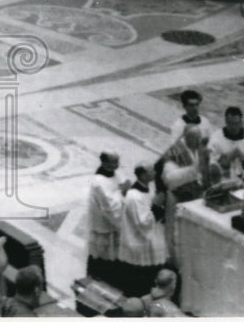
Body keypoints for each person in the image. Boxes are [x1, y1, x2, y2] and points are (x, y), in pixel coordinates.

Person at [159, 125, 211, 262]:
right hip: (177, 198)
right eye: (196, 139)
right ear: (186, 138)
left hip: (196, 196)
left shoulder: (199, 148)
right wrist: (194, 169)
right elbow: (170, 180)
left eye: (200, 138)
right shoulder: (174, 153)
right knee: (177, 236)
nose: (199, 142)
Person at [118, 164, 167, 298]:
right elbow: (143, 222)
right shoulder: (134, 196)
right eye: (152, 170)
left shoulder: (148, 189)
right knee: (139, 285)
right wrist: (157, 206)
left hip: (148, 241)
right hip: (139, 245)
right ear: (143, 175)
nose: (155, 172)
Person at [87, 151, 128, 286]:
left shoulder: (116, 174)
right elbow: (110, 207)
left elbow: (123, 185)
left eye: (117, 161)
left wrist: (126, 190)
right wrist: (122, 192)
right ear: (104, 163)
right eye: (113, 162)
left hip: (111, 224)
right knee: (103, 257)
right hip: (104, 224)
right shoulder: (99, 182)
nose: (116, 165)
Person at [207, 106, 244, 177]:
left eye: (236, 123)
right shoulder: (216, 138)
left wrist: (243, 158)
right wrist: (226, 159)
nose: (233, 127)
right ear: (225, 121)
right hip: (224, 177)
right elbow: (209, 162)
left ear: (241, 122)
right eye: (230, 123)